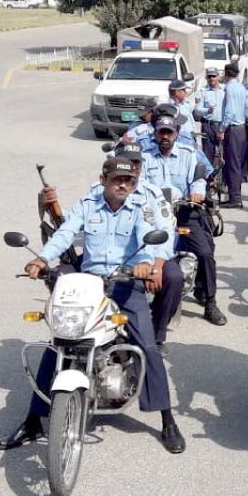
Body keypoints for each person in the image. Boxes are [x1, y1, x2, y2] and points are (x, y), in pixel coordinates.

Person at [0, 156, 186, 454]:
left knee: (147, 347)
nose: (124, 184)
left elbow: (146, 238)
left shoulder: (140, 208)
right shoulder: (88, 204)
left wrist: (146, 265)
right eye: (117, 180)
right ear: (103, 180)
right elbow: (65, 232)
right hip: (91, 282)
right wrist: (42, 258)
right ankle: (34, 420)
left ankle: (167, 419)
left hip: (125, 284)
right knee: (59, 340)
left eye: (129, 180)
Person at [39, 143, 183, 357]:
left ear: (141, 166)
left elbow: (163, 229)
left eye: (135, 163)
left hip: (140, 260)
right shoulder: (96, 193)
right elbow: (70, 225)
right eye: (125, 163)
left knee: (173, 277)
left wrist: (155, 264)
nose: (130, 169)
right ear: (106, 176)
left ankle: (156, 335)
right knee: (61, 278)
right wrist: (48, 204)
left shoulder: (150, 195)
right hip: (98, 260)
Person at [142, 114, 227, 326]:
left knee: (205, 253)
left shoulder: (189, 154)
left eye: (169, 132)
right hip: (154, 215)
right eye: (161, 131)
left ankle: (209, 300)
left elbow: (198, 179)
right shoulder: (144, 157)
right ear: (155, 133)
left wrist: (197, 192)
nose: (165, 136)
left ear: (176, 134)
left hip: (184, 211)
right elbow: (140, 184)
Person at [219, 62, 248, 209]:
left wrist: (222, 128)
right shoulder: (242, 87)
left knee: (232, 164)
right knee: (236, 162)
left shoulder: (229, 88)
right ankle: (234, 196)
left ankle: (235, 198)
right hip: (241, 128)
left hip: (233, 128)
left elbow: (229, 111)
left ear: (227, 73)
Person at [193, 67, 225, 166]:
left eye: (214, 76)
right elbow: (197, 110)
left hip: (222, 125)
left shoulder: (225, 90)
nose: (212, 79)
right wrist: (207, 110)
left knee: (224, 153)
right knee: (207, 154)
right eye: (209, 76)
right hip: (208, 126)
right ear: (207, 78)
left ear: (218, 77)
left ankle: (223, 178)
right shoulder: (202, 91)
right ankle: (209, 179)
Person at [168, 79, 197, 145]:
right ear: (177, 92)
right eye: (183, 90)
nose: (186, 93)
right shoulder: (169, 108)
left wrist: (194, 134)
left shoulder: (186, 105)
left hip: (190, 137)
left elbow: (191, 120)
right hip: (178, 140)